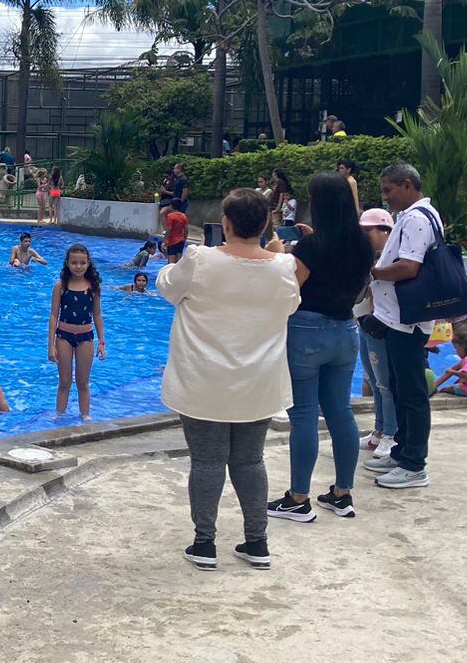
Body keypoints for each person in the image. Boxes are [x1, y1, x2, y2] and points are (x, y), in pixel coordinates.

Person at [159, 188, 300, 569]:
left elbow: (167, 286)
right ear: (267, 223)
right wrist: (279, 255)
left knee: (206, 461)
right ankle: (257, 541)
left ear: (226, 223)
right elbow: (290, 305)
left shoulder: (200, 258)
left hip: (203, 381)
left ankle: (205, 544)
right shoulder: (282, 267)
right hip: (258, 383)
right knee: (250, 461)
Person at [266, 173, 375, 524]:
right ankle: (343, 493)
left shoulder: (313, 247)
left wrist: (281, 255)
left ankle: (299, 498)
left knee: (304, 416)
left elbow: (289, 290)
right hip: (346, 331)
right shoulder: (363, 242)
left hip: (308, 332)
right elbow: (358, 290)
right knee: (340, 412)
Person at [362, 162, 443, 490]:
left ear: (408, 185)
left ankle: (414, 464)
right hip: (398, 317)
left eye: (388, 190)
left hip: (407, 320)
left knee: (411, 391)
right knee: (398, 385)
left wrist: (376, 273)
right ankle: (402, 449)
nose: (386, 198)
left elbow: (409, 267)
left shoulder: (416, 219)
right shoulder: (422, 215)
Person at [354, 209, 399, 459]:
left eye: (368, 231)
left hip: (380, 323)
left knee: (385, 382)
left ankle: (391, 433)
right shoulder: (368, 257)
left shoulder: (392, 258)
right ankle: (380, 429)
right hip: (364, 321)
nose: (365, 235)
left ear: (385, 231)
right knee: (372, 379)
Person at [48, 244, 107, 419]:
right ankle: (59, 414)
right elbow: (53, 315)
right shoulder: (61, 286)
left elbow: (97, 315)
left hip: (86, 337)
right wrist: (51, 345)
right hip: (63, 336)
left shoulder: (93, 287)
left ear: (88, 263)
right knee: (64, 382)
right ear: (67, 263)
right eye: (74, 262)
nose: (78, 266)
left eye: (82, 263)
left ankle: (85, 415)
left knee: (83, 382)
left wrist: (102, 343)